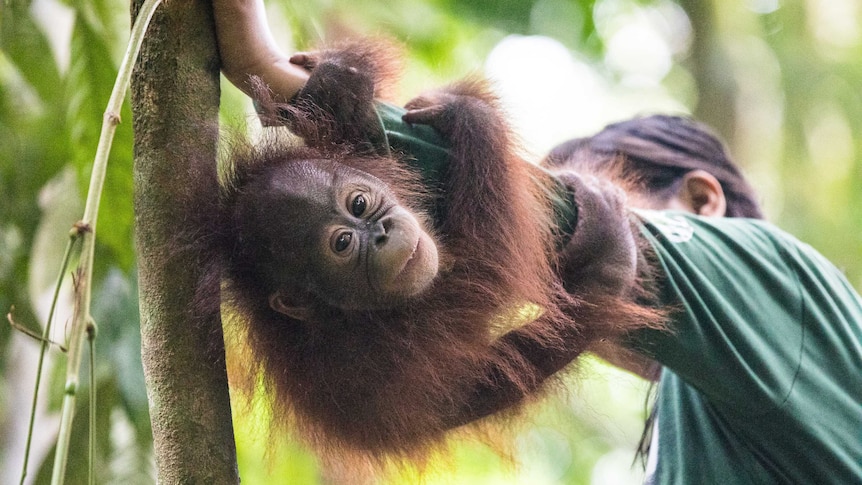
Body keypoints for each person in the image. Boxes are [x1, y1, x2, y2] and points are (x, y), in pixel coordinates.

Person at [212, 2, 862, 482]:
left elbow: (563, 225)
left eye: (619, 182)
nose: (541, 267)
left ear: (701, 198)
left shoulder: (776, 286)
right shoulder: (691, 436)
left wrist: (284, 79)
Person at [546, 115, 862, 484]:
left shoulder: (772, 282)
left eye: (611, 199)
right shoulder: (695, 419)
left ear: (701, 200)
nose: (561, 292)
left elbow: (603, 236)